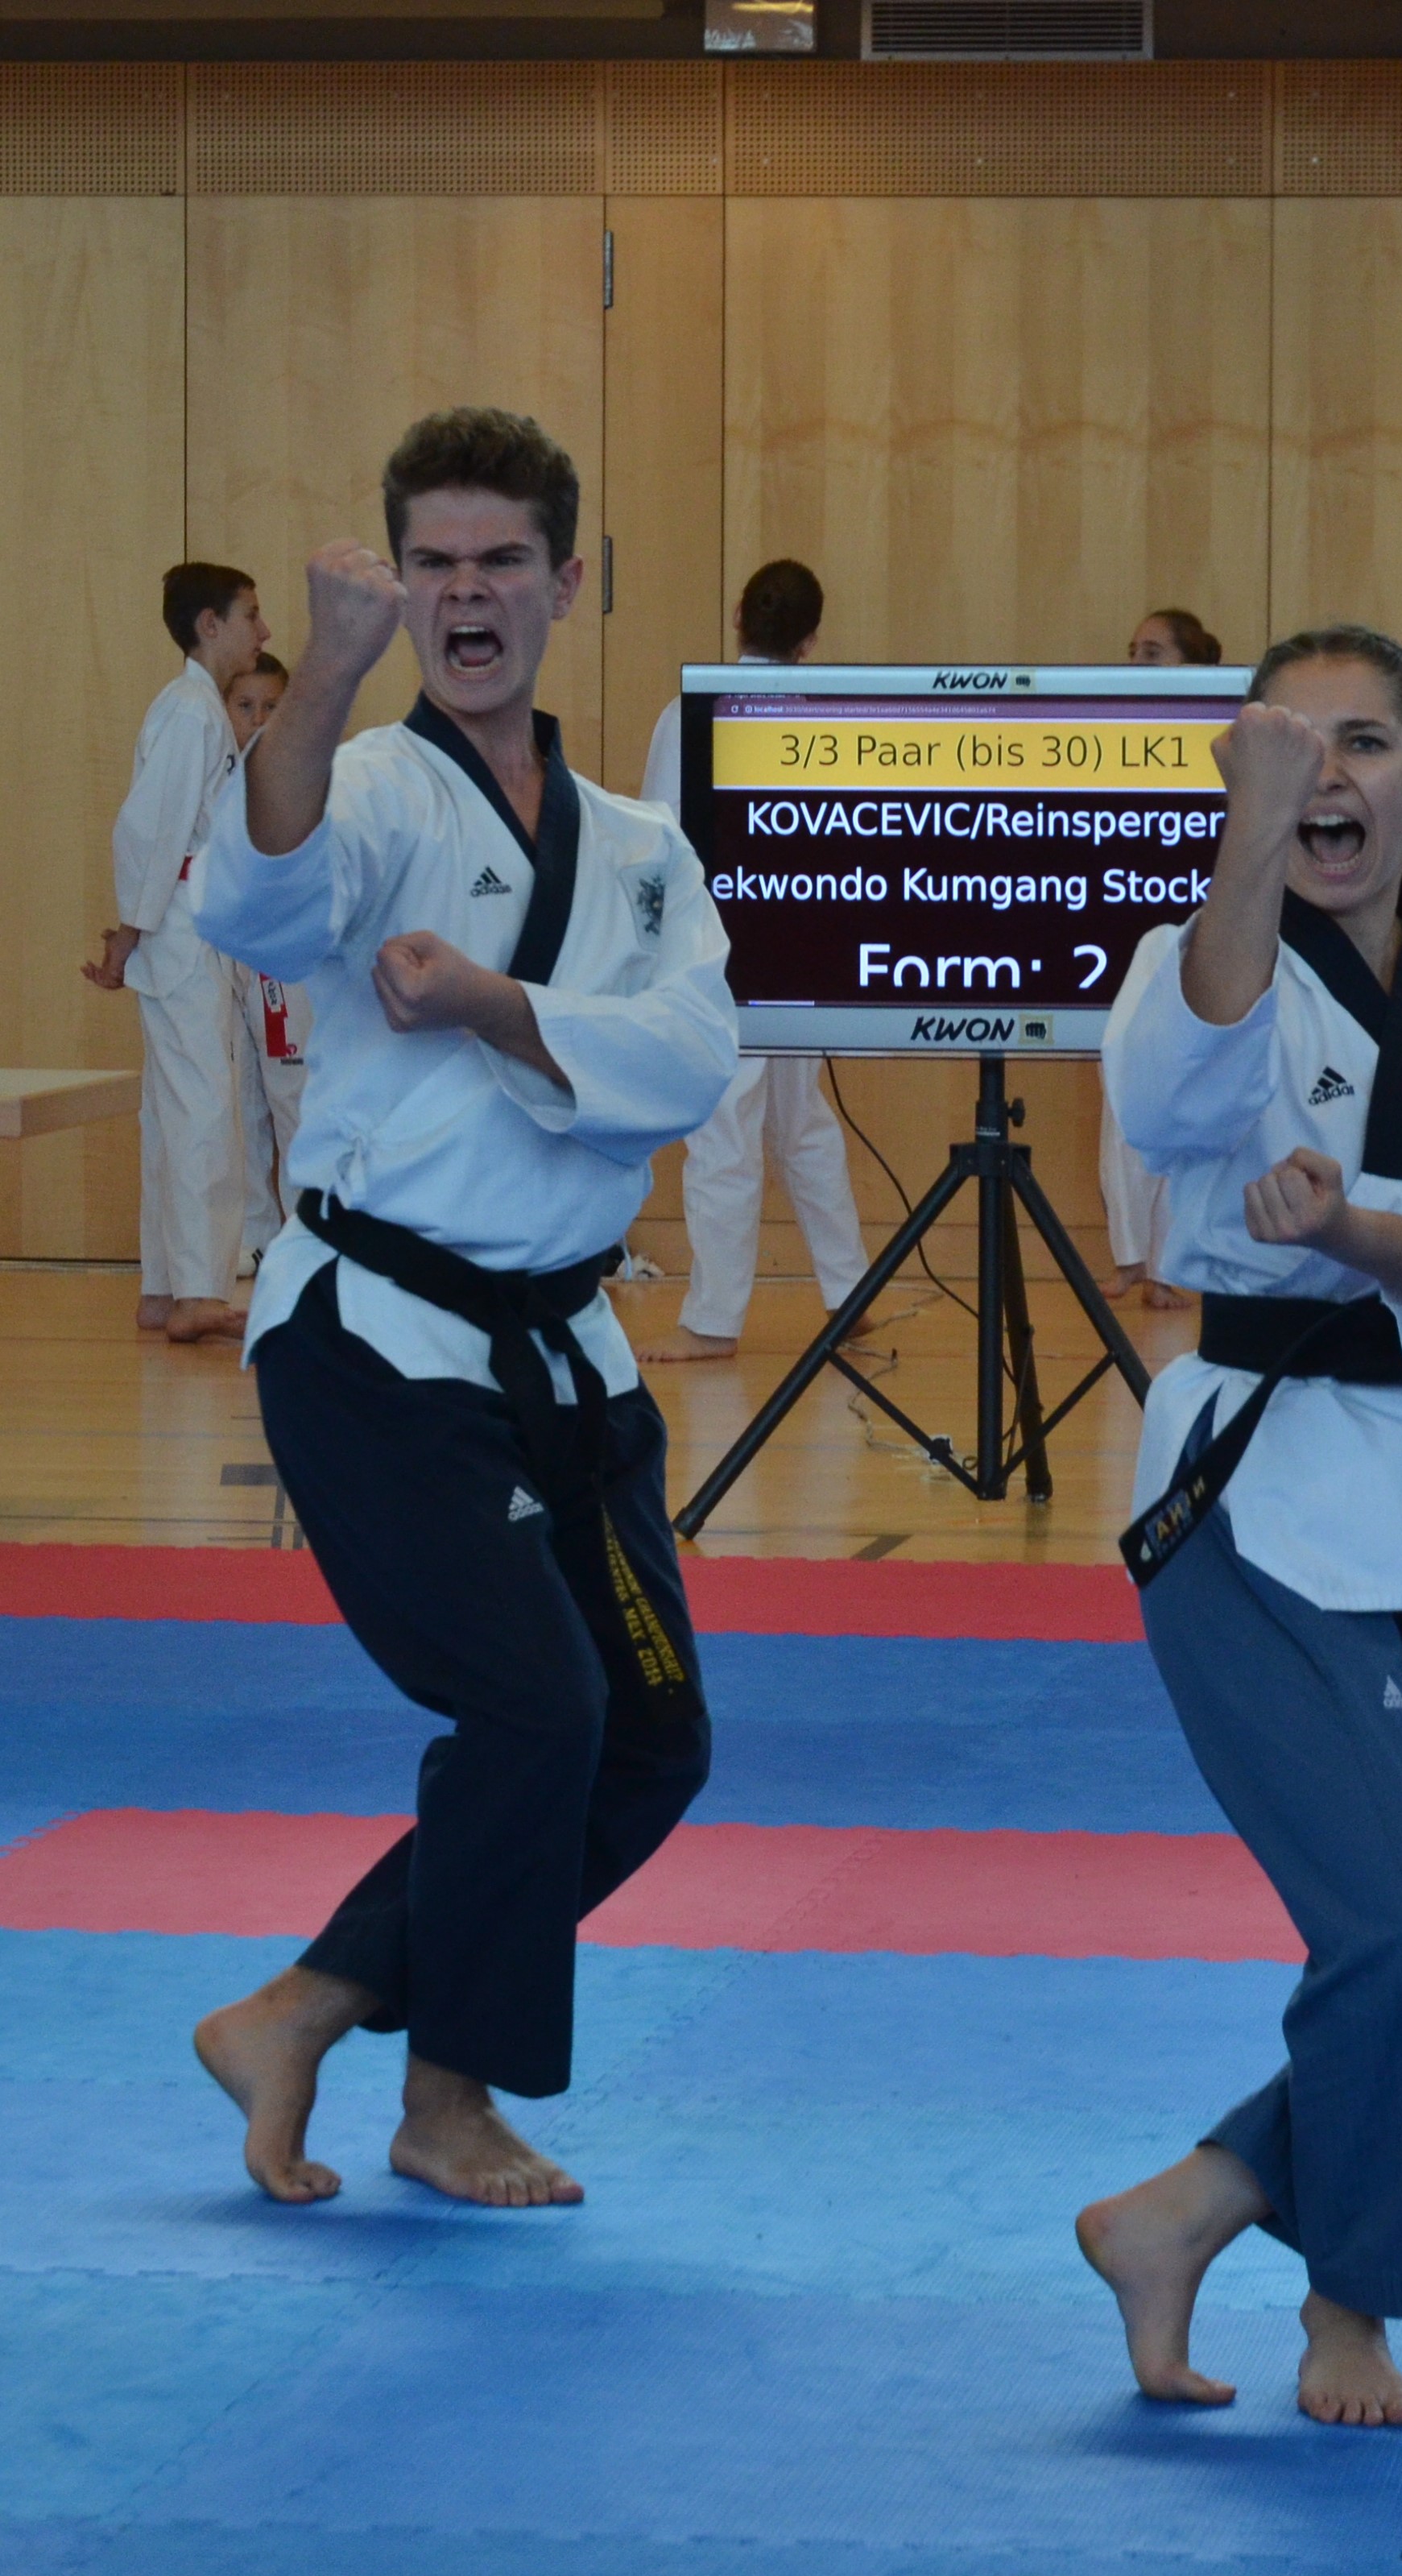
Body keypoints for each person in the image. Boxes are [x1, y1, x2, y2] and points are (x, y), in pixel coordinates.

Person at [188, 407, 738, 2208]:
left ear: (567, 583)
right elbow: (259, 908)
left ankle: (304, 2007)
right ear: (401, 587)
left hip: (564, 1354)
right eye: (433, 563)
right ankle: (446, 2096)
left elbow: (690, 1059)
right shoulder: (365, 783)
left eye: (503, 559)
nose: (468, 593)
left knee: (649, 1738)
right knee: (536, 1707)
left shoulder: (641, 845)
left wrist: (497, 1005)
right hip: (378, 1342)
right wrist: (323, 676)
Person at [1079, 623, 1402, 2430]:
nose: (1328, 776)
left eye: (1365, 744)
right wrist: (1240, 838)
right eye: (1289, 747)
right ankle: (1348, 2305)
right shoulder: (1205, 967)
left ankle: (1194, 2201)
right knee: (1395, 1929)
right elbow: (1170, 1103)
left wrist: (1366, 1236)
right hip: (1258, 1501)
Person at [635, 559, 871, 1363]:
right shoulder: (826, 722)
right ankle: (850, 1292)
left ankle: (712, 1320)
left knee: (725, 1131)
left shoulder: (690, 711)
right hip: (797, 954)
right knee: (800, 1123)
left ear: (739, 617)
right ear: (810, 639)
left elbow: (660, 843)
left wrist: (650, 958)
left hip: (719, 958)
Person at [85, 562, 270, 1342]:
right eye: (251, 614)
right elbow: (149, 830)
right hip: (180, 925)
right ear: (210, 624)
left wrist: (136, 929)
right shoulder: (193, 711)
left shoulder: (193, 709)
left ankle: (165, 1286)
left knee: (173, 1110)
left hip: (185, 921)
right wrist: (129, 930)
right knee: (202, 1106)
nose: (263, 631)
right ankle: (196, 1289)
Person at [1098, 608, 1226, 1307]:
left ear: (1193, 663)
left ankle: (1172, 1263)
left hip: (1203, 930)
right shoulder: (1118, 737)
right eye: (1132, 651)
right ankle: (1130, 1255)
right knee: (1123, 1089)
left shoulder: (1230, 740)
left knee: (1191, 1099)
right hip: (1131, 930)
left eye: (1152, 652)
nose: (1134, 664)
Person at [222, 652, 312, 1269]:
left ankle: (309, 1234)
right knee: (238, 1098)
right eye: (245, 706)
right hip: (222, 956)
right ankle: (252, 1232)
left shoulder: (305, 780)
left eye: (272, 707)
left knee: (291, 1092)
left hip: (281, 961)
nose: (258, 720)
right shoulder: (213, 776)